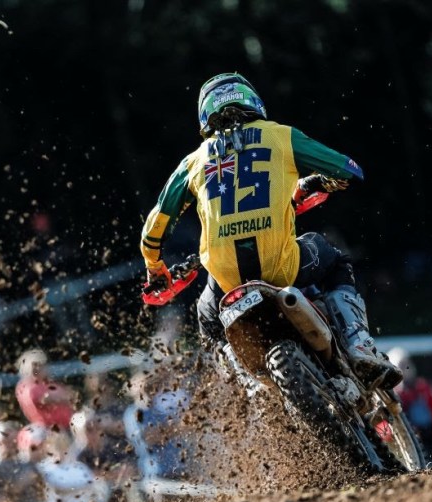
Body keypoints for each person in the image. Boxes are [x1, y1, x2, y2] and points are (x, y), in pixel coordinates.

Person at [139, 73, 400, 389]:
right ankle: (358, 343)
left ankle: (245, 384)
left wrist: (155, 268)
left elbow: (153, 231)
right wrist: (319, 182)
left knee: (207, 318)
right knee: (334, 260)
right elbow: (348, 170)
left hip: (226, 279)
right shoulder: (280, 136)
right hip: (283, 265)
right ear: (251, 100)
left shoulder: (193, 162)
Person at [387, 348, 432, 467]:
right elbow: (384, 428)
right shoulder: (391, 396)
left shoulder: (426, 387)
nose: (406, 368)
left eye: (407, 364)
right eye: (402, 365)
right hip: (409, 443)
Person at [14, 349, 79, 431]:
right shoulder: (31, 388)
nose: (41, 368)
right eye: (37, 365)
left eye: (42, 365)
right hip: (54, 430)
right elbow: (47, 399)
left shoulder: (34, 385)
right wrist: (67, 397)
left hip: (62, 427)